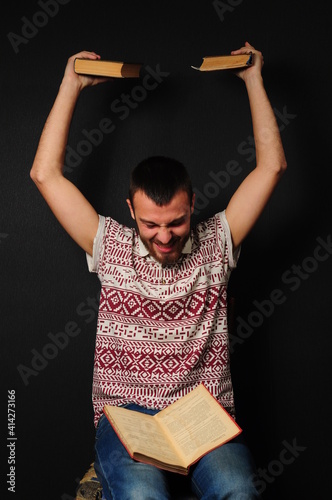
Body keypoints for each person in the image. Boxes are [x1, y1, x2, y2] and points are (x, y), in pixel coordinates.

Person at [30, 42, 286, 499]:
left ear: (193, 208)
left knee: (239, 491)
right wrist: (72, 83)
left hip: (200, 413)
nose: (165, 236)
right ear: (131, 210)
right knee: (143, 497)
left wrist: (253, 79)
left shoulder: (216, 242)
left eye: (177, 222)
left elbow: (271, 167)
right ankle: (106, 477)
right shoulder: (109, 245)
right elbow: (45, 175)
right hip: (128, 413)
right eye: (150, 224)